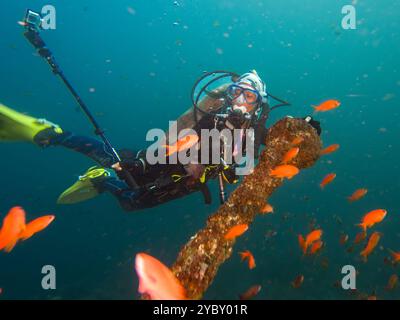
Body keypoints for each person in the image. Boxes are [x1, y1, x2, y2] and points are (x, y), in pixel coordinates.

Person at [0, 70, 321, 211]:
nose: (239, 101)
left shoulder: (258, 131)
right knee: (119, 163)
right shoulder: (210, 115)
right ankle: (56, 135)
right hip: (170, 160)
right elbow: (172, 140)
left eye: (248, 96)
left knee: (131, 203)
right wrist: (143, 161)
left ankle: (101, 183)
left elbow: (284, 138)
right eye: (237, 92)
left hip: (194, 182)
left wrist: (306, 128)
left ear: (259, 103)